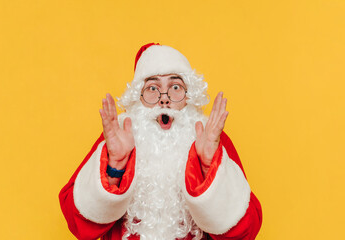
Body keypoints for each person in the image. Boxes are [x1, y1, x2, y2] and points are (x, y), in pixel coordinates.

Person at [59, 43, 262, 240]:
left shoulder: (210, 137)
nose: (164, 99)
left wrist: (209, 167)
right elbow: (77, 223)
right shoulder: (118, 134)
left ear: (189, 96)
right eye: (152, 88)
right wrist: (115, 166)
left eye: (175, 87)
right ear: (138, 97)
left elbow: (247, 231)